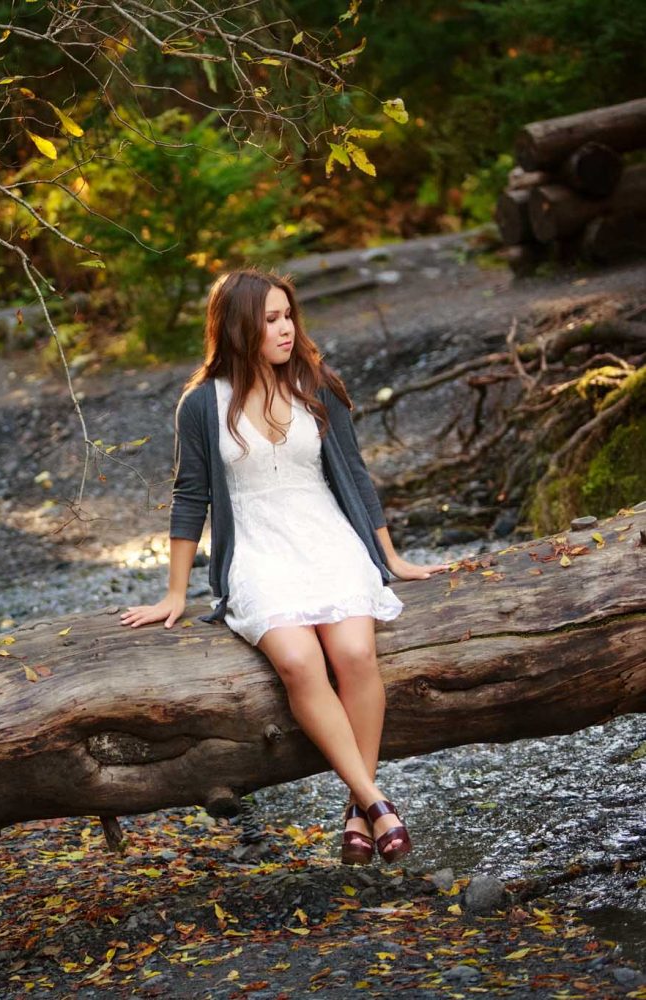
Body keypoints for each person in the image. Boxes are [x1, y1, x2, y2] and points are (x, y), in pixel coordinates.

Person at [119, 267, 449, 865]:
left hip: (329, 541)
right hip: (258, 552)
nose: (286, 328)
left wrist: (391, 557)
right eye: (270, 319)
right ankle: (375, 802)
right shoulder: (202, 404)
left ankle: (359, 808)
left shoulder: (315, 383)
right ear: (239, 327)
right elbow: (190, 496)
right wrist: (174, 592)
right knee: (298, 661)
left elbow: (355, 474)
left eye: (288, 315)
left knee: (354, 654)